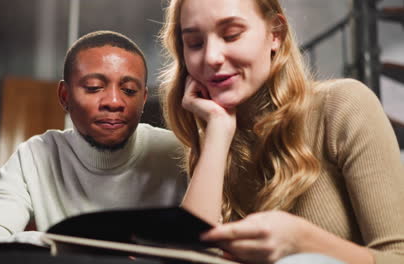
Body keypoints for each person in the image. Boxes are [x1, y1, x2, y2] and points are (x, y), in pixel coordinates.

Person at [159, 0, 404, 263]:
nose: (211, 57)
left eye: (231, 35)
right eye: (195, 43)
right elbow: (186, 260)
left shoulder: (342, 106)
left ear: (275, 34)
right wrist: (218, 133)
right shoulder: (214, 139)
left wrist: (304, 242)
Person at [0, 31, 187, 245]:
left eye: (129, 90)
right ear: (64, 96)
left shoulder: (179, 154)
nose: (114, 101)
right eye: (94, 88)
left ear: (144, 99)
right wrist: (65, 245)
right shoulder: (34, 157)